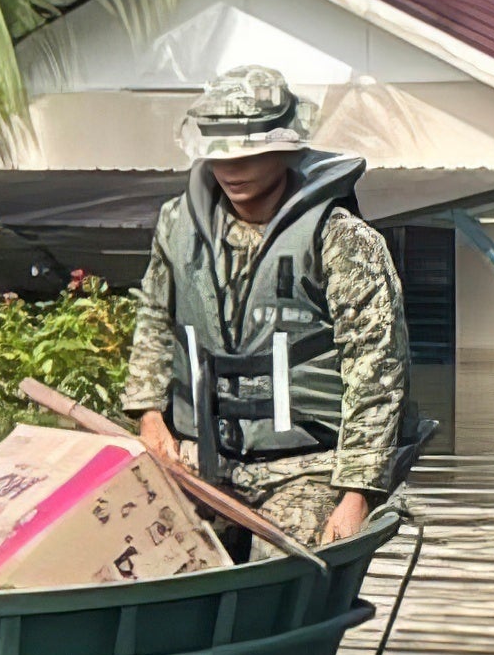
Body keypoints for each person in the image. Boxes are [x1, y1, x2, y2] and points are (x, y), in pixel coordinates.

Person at [124, 65, 403, 549]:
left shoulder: (341, 237)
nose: (232, 169)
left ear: (286, 150)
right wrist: (149, 417)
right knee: (122, 540)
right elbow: (154, 320)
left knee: (277, 561)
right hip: (197, 460)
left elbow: (376, 368)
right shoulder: (176, 224)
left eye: (249, 154)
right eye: (220, 154)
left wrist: (356, 494)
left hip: (309, 469)